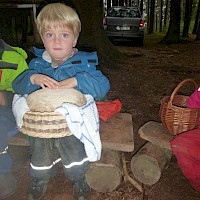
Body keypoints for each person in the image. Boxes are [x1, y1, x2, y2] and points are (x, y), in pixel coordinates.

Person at [12, 3, 110, 200]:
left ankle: (78, 177)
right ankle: (40, 177)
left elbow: (102, 86)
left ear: (74, 39)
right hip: (43, 122)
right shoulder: (37, 64)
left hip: (71, 124)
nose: (57, 41)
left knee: (72, 145)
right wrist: (33, 79)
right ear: (42, 37)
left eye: (64, 35)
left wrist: (77, 81)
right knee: (39, 144)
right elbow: (17, 86)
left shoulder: (84, 64)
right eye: (49, 35)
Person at [0, 39, 28, 199]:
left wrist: (4, 97)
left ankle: (3, 173)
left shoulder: (14, 59)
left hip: (9, 111)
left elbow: (26, 94)